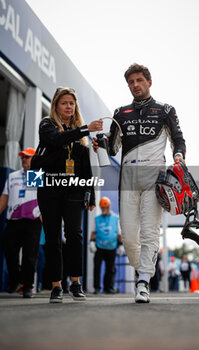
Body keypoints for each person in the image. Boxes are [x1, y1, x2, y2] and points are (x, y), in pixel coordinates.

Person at [93, 63, 186, 303]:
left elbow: (178, 139)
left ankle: (143, 281)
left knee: (149, 232)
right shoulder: (120, 113)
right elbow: (112, 148)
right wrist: (100, 145)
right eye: (131, 82)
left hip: (155, 177)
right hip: (128, 179)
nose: (135, 85)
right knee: (130, 236)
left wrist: (178, 157)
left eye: (139, 80)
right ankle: (143, 269)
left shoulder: (165, 109)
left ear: (149, 82)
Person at [36, 87, 103, 303]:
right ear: (56, 105)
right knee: (53, 237)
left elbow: (86, 168)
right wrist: (84, 129)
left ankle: (75, 282)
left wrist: (91, 195)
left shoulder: (80, 136)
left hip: (74, 191)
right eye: (64, 103)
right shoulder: (47, 125)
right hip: (48, 190)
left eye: (72, 103)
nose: (68, 107)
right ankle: (56, 285)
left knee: (74, 235)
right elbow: (56, 140)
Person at [0, 147, 42, 298]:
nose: (24, 159)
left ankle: (28, 287)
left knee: (30, 255)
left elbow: (44, 199)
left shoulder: (37, 175)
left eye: (28, 157)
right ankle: (16, 279)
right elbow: (4, 197)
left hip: (32, 221)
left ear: (34, 159)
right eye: (23, 157)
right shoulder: (12, 176)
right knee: (8, 249)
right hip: (13, 221)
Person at [89, 196, 124, 294]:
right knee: (97, 268)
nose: (104, 209)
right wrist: (91, 242)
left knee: (110, 269)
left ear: (109, 207)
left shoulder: (116, 218)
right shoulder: (97, 219)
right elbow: (93, 232)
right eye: (102, 208)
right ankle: (96, 287)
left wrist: (121, 245)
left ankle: (108, 287)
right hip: (99, 247)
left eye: (105, 207)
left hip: (111, 247)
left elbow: (119, 233)